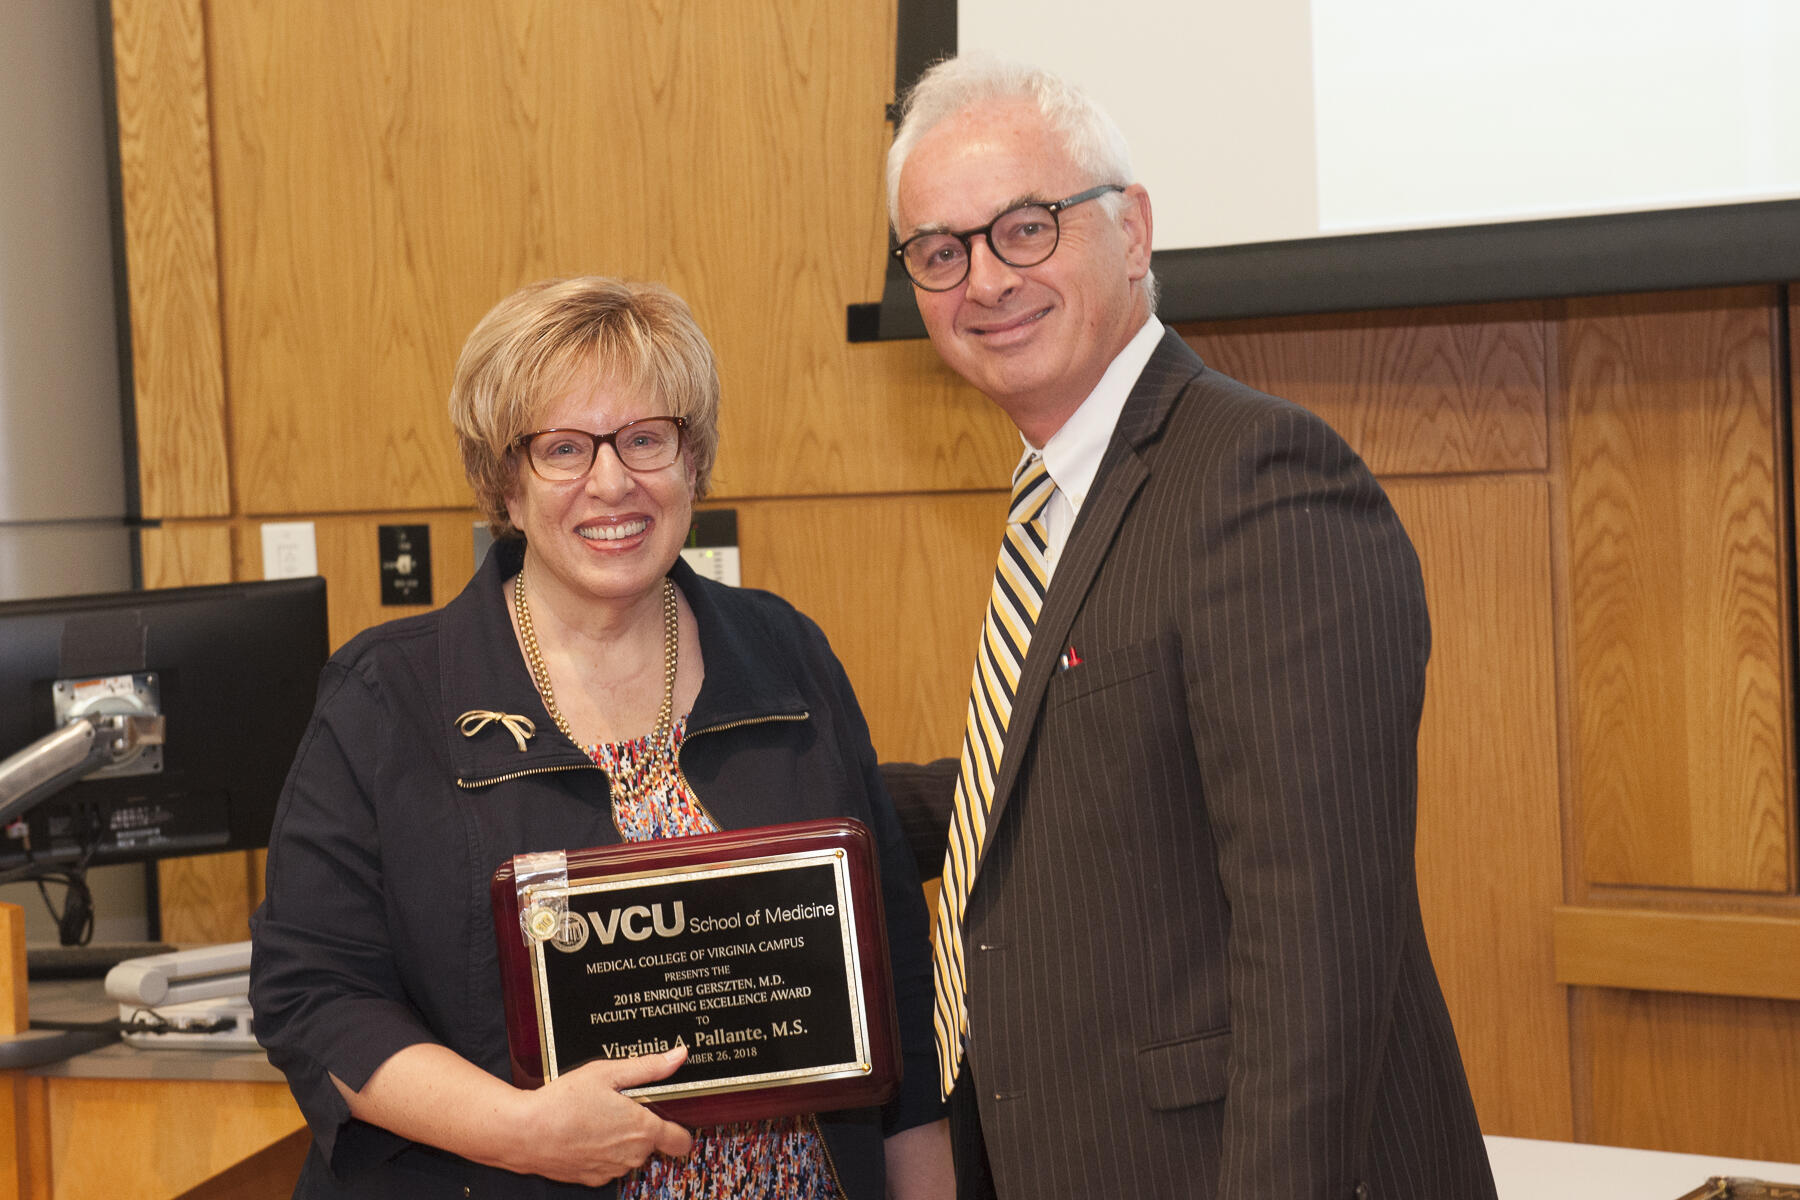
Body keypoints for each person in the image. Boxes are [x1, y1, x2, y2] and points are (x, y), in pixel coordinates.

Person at [885, 55, 1498, 1199]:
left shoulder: (1262, 480)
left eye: (1025, 228)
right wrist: (799, 805)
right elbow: (1068, 779)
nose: (984, 281)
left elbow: (1316, 946)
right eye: (940, 251)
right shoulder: (1067, 493)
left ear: (1134, 231)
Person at [249, 277, 952, 1198]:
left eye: (646, 439)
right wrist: (521, 1132)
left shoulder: (787, 653)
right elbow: (313, 996)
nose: (612, 482)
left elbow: (891, 979)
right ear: (505, 477)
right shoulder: (391, 696)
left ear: (692, 459)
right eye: (564, 448)